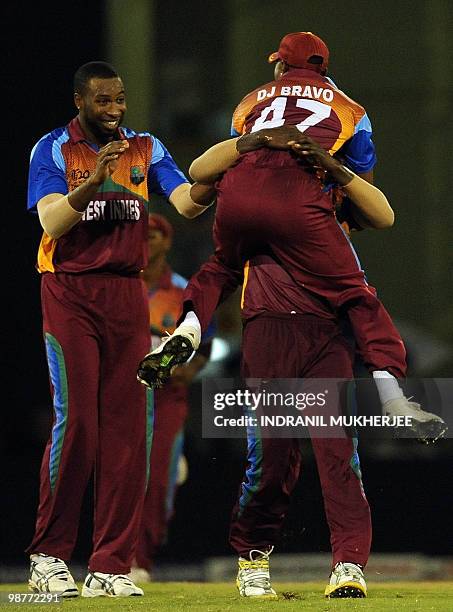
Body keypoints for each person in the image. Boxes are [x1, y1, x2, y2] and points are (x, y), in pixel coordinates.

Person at [137, 31, 445, 599]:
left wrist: (237, 164)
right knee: (316, 446)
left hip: (284, 321)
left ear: (276, 62)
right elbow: (381, 212)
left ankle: (186, 327)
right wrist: (330, 167)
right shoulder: (333, 167)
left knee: (298, 454)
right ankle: (392, 394)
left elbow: (211, 172)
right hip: (292, 320)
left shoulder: (253, 109)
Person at [26, 61, 215, 598]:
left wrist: (223, 180)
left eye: (120, 100)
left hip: (126, 294)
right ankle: (49, 557)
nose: (114, 111)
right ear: (80, 101)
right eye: (103, 102)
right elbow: (51, 223)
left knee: (132, 431)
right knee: (80, 421)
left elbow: (183, 202)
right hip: (69, 291)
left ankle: (111, 566)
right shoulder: (52, 150)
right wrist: (92, 181)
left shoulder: (146, 148)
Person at [130, 213, 214, 582]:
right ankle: (113, 556)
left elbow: (208, 347)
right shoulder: (119, 286)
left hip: (167, 397)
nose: (146, 244)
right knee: (124, 475)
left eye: (152, 236)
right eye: (139, 237)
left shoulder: (183, 290)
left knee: (157, 480)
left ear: (167, 241)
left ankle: (139, 561)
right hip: (125, 396)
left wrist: (187, 372)